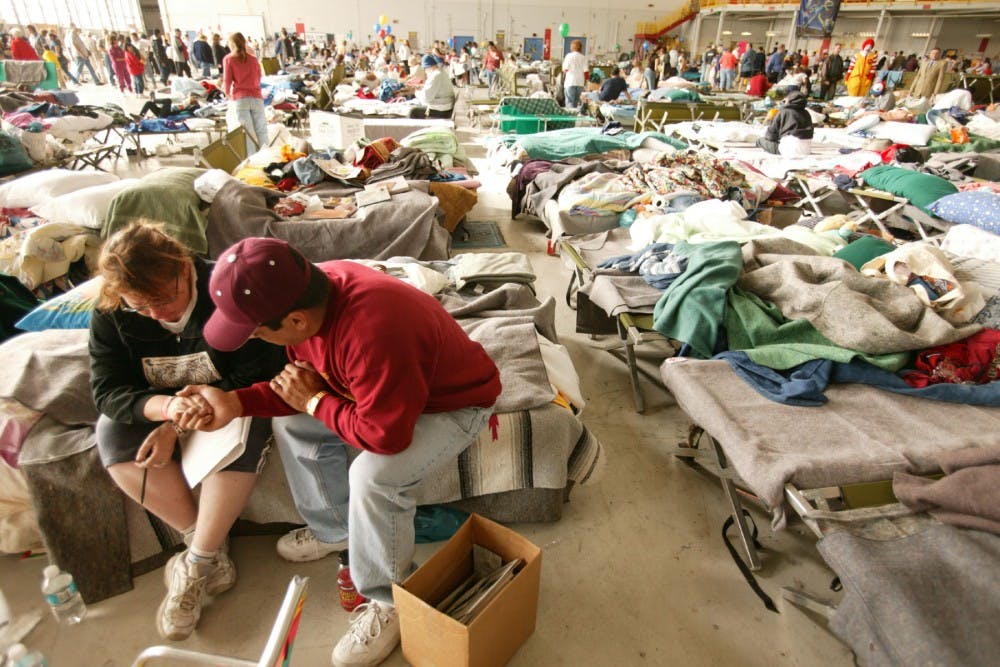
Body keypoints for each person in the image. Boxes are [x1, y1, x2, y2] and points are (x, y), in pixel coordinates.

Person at [182, 237, 500, 667]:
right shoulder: (312, 293)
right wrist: (236, 402)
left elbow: (384, 437)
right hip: (390, 394)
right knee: (292, 420)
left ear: (294, 320)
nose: (257, 338)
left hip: (454, 405)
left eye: (258, 331)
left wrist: (316, 403)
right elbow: (301, 387)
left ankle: (388, 603)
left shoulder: (374, 330)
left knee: (374, 477)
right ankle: (336, 529)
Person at [89, 222, 284, 641]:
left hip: (223, 402)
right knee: (110, 433)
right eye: (141, 306)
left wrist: (183, 419)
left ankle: (195, 565)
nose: (158, 314)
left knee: (247, 415)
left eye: (164, 299)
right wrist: (167, 410)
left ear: (184, 266)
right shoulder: (112, 315)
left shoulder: (227, 289)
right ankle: (205, 543)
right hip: (165, 407)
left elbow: (262, 367)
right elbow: (107, 391)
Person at [222, 32, 267, 155]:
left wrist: (227, 93)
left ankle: (252, 161)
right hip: (256, 97)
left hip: (241, 98)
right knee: (262, 130)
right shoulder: (253, 59)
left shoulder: (228, 59)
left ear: (231, 44)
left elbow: (227, 80)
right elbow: (258, 78)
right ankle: (267, 157)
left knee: (248, 133)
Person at [755, 90, 813, 155]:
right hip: (806, 150)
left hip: (787, 150)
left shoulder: (783, 112)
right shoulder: (807, 114)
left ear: (789, 100)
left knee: (760, 141)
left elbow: (770, 135)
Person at [562, 39, 588, 109]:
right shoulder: (584, 57)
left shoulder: (568, 56)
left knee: (570, 102)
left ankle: (570, 118)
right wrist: (586, 82)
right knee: (576, 102)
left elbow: (565, 70)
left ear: (572, 47)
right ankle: (575, 117)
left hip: (570, 82)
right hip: (580, 83)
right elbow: (586, 72)